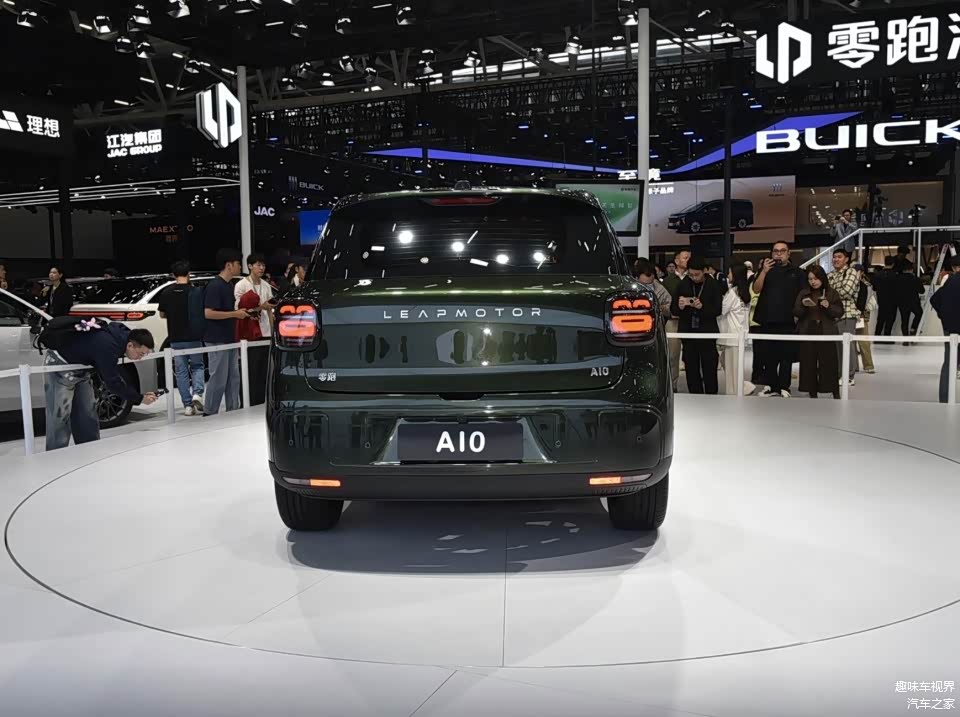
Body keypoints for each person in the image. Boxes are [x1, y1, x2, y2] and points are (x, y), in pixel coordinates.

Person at [43, 322, 158, 450]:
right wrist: (139, 399)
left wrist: (138, 396)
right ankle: (55, 456)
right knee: (60, 416)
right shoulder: (109, 346)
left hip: (81, 367)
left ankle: (90, 451)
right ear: (130, 345)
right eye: (141, 353)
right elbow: (113, 383)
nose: (140, 358)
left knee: (87, 414)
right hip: (60, 364)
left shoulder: (120, 339)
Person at [752, 241, 806, 397]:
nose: (779, 254)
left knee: (786, 356)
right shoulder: (766, 270)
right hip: (767, 319)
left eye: (782, 251)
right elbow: (756, 289)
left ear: (788, 253)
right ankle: (771, 385)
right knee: (768, 355)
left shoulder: (797, 272)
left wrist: (798, 315)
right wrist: (764, 271)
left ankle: (784, 386)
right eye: (776, 251)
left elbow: (803, 293)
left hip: (788, 320)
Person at [203, 248, 249, 416]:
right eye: (238, 263)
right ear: (229, 265)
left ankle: (233, 410)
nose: (240, 267)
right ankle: (210, 411)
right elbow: (208, 313)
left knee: (233, 378)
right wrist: (234, 314)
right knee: (218, 378)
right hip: (217, 339)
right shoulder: (215, 286)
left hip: (230, 338)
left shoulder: (228, 285)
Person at [157, 261, 205, 416]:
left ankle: (187, 406)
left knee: (181, 371)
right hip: (194, 336)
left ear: (173, 275)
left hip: (175, 337)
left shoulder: (166, 292)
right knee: (197, 366)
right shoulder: (196, 291)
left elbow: (162, 314)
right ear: (189, 274)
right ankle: (197, 393)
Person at [671, 256, 722, 395]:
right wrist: (680, 306)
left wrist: (702, 307)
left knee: (709, 367)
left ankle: (711, 396)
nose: (694, 277)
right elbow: (673, 310)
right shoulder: (683, 284)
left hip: (707, 332)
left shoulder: (713, 285)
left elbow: (718, 310)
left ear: (704, 271)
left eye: (697, 274)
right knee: (691, 368)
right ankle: (695, 396)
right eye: (691, 274)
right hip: (688, 332)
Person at [794, 265, 843, 399]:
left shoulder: (831, 293)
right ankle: (812, 390)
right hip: (808, 330)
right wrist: (804, 306)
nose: (813, 282)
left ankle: (833, 390)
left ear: (822, 278)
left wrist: (828, 306)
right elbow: (796, 311)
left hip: (826, 330)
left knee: (829, 362)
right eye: (810, 279)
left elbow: (839, 312)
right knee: (808, 362)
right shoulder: (804, 293)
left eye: (816, 279)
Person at [234, 253, 275, 406]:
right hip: (249, 333)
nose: (261, 268)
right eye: (258, 265)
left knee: (264, 371)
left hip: (265, 332)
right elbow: (240, 310)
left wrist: (272, 332)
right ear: (250, 266)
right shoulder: (241, 285)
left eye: (263, 265)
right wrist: (261, 307)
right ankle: (248, 402)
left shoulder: (266, 285)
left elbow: (270, 310)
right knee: (251, 369)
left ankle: (260, 402)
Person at [718, 263, 754, 396]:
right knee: (735, 368)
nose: (728, 275)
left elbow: (721, 310)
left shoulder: (732, 293)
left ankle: (734, 393)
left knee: (731, 370)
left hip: (732, 336)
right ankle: (739, 390)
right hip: (741, 334)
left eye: (730, 272)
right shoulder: (745, 292)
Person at [828, 249, 860, 384]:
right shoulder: (830, 274)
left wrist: (831, 294)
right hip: (833, 315)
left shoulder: (851, 272)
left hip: (847, 314)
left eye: (839, 257)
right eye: (834, 257)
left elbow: (847, 291)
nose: (836, 259)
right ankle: (840, 373)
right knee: (837, 347)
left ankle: (849, 376)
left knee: (848, 346)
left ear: (846, 259)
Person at [930, 258, 960, 403]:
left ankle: (944, 399)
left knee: (949, 362)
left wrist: (943, 316)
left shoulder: (950, 281)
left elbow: (934, 300)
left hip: (950, 328)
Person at [661, 249, 690, 391]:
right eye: (685, 257)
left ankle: (694, 384)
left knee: (691, 354)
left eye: (689, 257)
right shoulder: (668, 281)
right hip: (673, 321)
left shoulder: (693, 278)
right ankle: (673, 386)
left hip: (691, 321)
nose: (688, 260)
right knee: (672, 355)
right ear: (677, 261)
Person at [893, 260, 924, 341]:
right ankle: (913, 328)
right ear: (911, 269)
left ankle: (905, 339)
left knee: (904, 320)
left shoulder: (897, 279)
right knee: (919, 314)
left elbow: (894, 290)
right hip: (914, 302)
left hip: (902, 302)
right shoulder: (915, 279)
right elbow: (922, 291)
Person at [856, 268, 877, 374]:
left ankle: (868, 365)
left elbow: (866, 301)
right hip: (854, 314)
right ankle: (855, 365)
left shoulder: (866, 285)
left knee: (863, 341)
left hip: (861, 315)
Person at [874, 256, 898, 336]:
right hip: (892, 301)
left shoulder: (878, 275)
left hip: (881, 300)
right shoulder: (895, 275)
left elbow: (874, 288)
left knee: (880, 319)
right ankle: (887, 336)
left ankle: (877, 336)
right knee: (890, 320)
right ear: (893, 264)